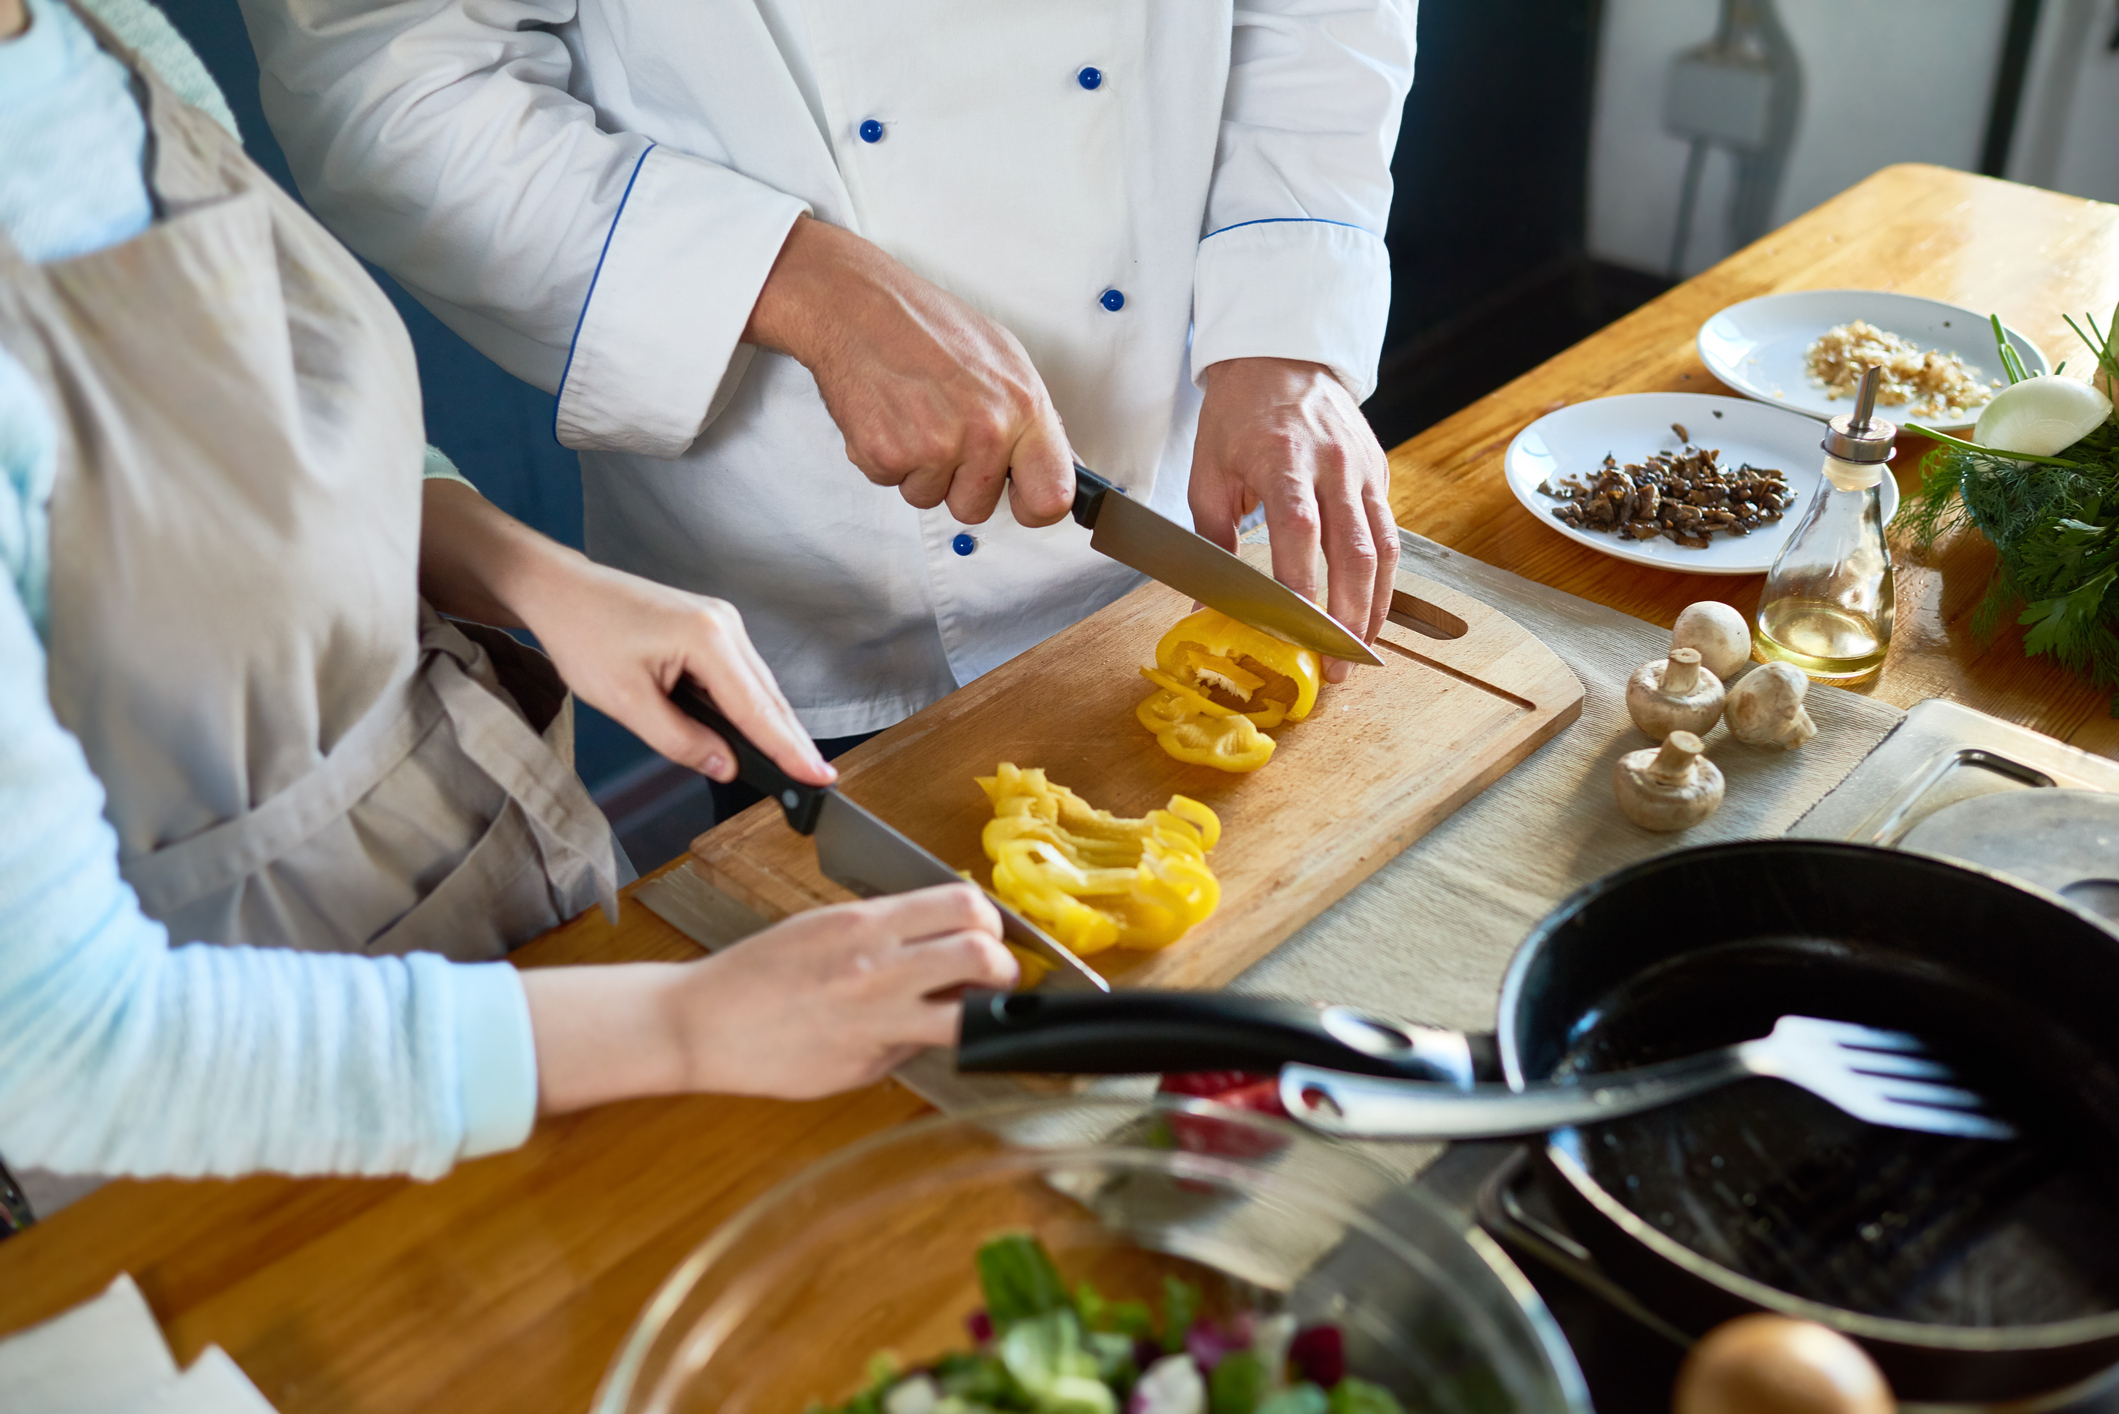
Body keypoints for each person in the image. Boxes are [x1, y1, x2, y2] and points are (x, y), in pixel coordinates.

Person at [0, 0, 1014, 1190]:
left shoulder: (88, 28)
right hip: (236, 1123)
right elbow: (63, 1050)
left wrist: (542, 580)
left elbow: (260, 439)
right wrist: (683, 1025)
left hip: (492, 901)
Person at [241, 0, 1419, 819]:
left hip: (1190, 452)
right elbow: (385, 82)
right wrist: (793, 280)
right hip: (810, 528)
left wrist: (1284, 314)